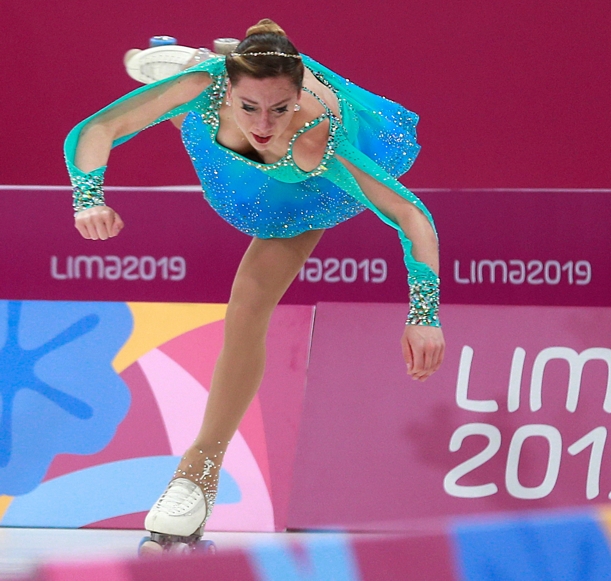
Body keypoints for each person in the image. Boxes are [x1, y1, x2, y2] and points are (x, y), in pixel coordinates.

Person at [64, 19, 445, 553]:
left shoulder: (316, 140)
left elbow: (410, 214)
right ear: (228, 88)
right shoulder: (211, 91)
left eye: (279, 108)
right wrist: (89, 197)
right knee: (190, 106)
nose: (264, 124)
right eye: (250, 107)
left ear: (298, 97)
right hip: (226, 127)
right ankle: (193, 61)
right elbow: (96, 130)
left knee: (245, 309)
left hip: (300, 194)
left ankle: (197, 474)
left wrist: (424, 314)